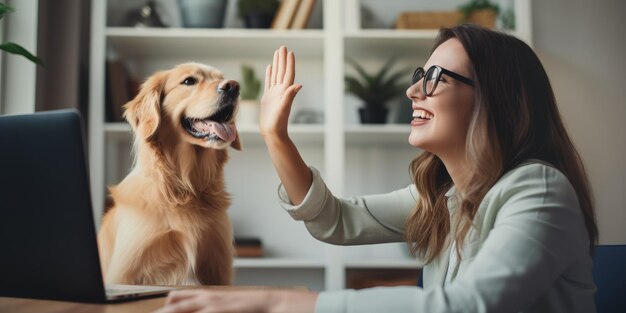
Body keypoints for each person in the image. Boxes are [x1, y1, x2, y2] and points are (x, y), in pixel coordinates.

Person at [154, 24, 597, 313]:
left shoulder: (538, 188)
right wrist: (276, 136)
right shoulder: (445, 197)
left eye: (436, 79)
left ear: (495, 99)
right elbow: (338, 221)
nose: (413, 92)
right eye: (420, 75)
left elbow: (468, 306)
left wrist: (284, 303)